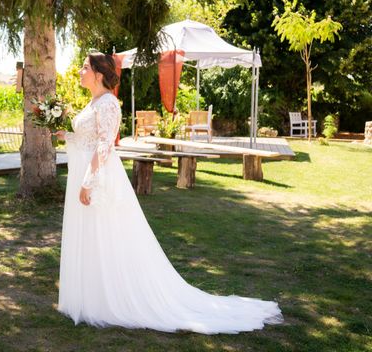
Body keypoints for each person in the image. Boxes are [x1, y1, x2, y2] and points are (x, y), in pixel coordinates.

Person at [53, 52, 283, 334]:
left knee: (107, 233)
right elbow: (88, 138)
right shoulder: (93, 102)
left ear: (99, 74)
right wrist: (68, 136)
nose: (79, 71)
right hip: (86, 171)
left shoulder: (109, 103)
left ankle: (110, 298)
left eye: (85, 67)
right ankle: (92, 295)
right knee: (90, 233)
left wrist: (89, 181)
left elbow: (104, 145)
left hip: (98, 177)